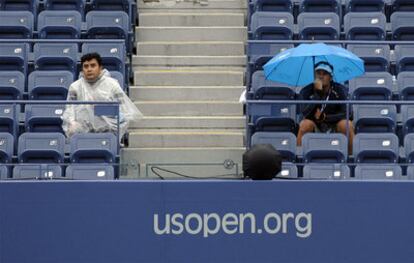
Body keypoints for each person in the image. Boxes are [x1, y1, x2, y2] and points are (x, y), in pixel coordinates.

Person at [62, 52, 142, 139]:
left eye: (93, 65)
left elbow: (123, 110)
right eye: (86, 66)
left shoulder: (112, 84)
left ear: (100, 68)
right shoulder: (75, 87)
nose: (89, 69)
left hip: (108, 130)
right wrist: (73, 122)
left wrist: (95, 111)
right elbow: (70, 110)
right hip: (82, 132)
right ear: (82, 69)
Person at [297, 61, 354, 152]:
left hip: (335, 125)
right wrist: (317, 97)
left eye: (325, 74)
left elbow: (348, 114)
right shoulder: (306, 91)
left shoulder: (340, 90)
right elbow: (304, 113)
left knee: (346, 125)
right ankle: (299, 158)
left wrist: (325, 117)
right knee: (304, 125)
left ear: (331, 77)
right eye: (318, 73)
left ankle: (351, 158)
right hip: (315, 125)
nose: (321, 76)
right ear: (314, 76)